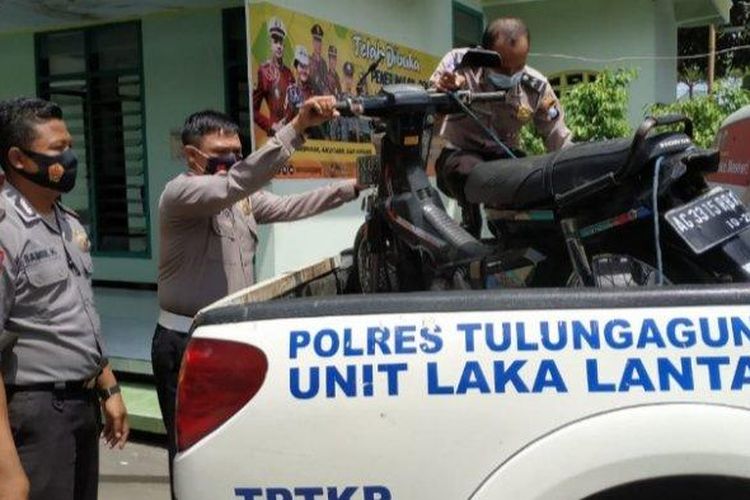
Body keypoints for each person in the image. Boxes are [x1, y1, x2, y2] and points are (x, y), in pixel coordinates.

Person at [152, 96, 359, 496]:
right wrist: (297, 128)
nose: (231, 159)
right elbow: (237, 182)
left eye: (236, 152)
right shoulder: (181, 193)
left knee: (232, 448)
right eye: (220, 152)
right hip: (185, 341)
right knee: (191, 453)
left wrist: (353, 188)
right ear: (192, 155)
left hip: (231, 338)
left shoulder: (240, 199)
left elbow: (291, 206)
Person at [0, 97, 129, 500]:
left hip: (80, 404)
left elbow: (77, 313)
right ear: (19, 159)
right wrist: (7, 472)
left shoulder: (66, 221)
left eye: (70, 145)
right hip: (37, 411)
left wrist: (108, 386)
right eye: (57, 149)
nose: (69, 158)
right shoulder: (6, 230)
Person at [430, 17, 573, 233]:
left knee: (533, 179)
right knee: (469, 171)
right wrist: (447, 90)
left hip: (505, 158)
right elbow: (431, 101)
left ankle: (510, 230)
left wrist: (573, 169)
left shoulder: (536, 87)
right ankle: (470, 218)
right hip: (461, 155)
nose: (511, 74)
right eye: (503, 68)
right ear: (485, 52)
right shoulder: (460, 64)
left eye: (519, 66)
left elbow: (557, 136)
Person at [252, 17, 296, 137]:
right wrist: (271, 125)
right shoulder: (263, 71)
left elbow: (295, 105)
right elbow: (253, 110)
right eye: (275, 42)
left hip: (291, 132)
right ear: (270, 44)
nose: (279, 46)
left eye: (281, 42)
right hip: (275, 135)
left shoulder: (289, 74)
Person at [285, 46, 323, 139]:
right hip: (295, 137)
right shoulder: (291, 90)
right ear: (296, 67)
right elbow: (291, 117)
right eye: (302, 66)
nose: (305, 71)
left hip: (313, 139)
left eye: (307, 67)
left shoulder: (313, 90)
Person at [309, 23, 329, 95]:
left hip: (322, 98)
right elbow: (315, 79)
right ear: (313, 42)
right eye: (316, 41)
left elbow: (326, 82)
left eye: (320, 41)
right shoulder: (309, 61)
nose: (319, 44)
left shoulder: (324, 63)